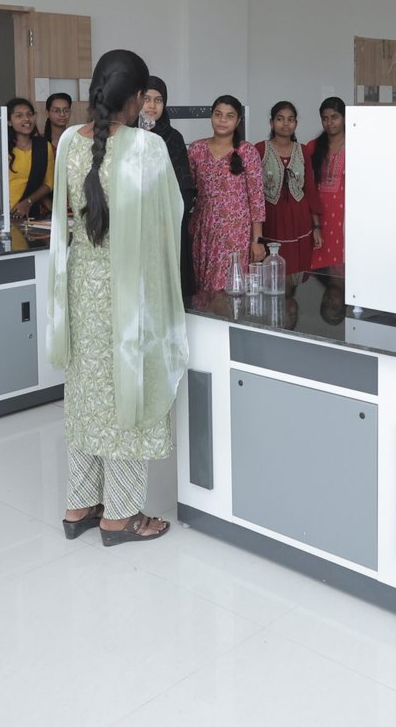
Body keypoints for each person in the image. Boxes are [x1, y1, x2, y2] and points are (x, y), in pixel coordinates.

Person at [47, 49, 188, 544]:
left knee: (87, 391)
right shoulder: (147, 147)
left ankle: (79, 504)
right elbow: (169, 217)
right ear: (137, 98)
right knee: (128, 388)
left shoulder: (68, 140)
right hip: (128, 290)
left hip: (81, 284)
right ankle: (121, 515)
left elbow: (69, 215)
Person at [189, 95, 265, 292]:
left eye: (229, 116)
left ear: (238, 121)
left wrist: (257, 240)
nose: (222, 120)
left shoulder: (247, 152)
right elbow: (188, 190)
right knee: (202, 289)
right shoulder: (196, 149)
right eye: (218, 114)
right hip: (204, 229)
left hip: (236, 233)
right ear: (211, 117)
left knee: (230, 289)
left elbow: (256, 198)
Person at [140, 76, 197, 298]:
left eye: (158, 100)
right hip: (134, 222)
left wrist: (168, 220)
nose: (152, 106)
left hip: (167, 226)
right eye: (146, 99)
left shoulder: (173, 138)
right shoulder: (126, 136)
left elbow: (184, 186)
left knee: (167, 288)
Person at [256, 101, 315, 278]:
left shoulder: (303, 150)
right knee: (272, 272)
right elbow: (253, 190)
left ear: (296, 123)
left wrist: (317, 226)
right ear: (271, 122)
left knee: (298, 268)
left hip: (299, 216)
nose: (285, 124)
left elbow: (310, 189)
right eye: (280, 119)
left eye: (290, 119)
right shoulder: (260, 149)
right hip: (271, 217)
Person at [305, 97, 347, 272]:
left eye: (334, 117)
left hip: (346, 214)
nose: (330, 123)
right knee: (318, 264)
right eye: (325, 118)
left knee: (344, 263)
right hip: (318, 213)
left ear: (344, 117)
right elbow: (308, 185)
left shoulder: (357, 146)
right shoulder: (313, 147)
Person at [5, 97, 52, 225]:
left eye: (29, 114)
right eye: (19, 116)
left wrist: (28, 202)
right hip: (3, 213)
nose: (26, 119)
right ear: (9, 121)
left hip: (30, 214)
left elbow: (49, 183)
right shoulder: (2, 148)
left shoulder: (43, 146)